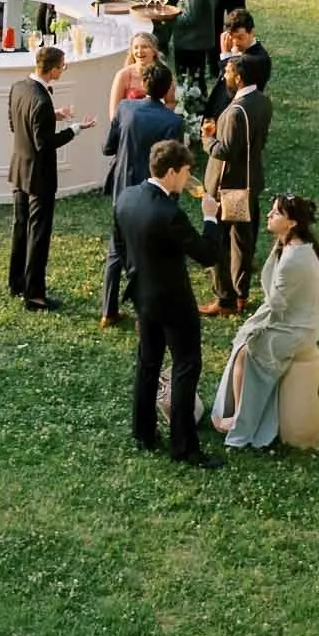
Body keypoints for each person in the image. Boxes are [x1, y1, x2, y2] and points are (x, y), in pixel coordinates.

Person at [113, 140, 221, 463]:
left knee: (148, 363)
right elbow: (207, 254)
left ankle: (143, 432)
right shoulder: (169, 213)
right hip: (174, 303)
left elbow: (120, 248)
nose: (188, 177)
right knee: (186, 366)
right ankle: (184, 446)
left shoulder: (126, 198)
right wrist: (210, 219)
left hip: (143, 297)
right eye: (186, 171)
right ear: (172, 172)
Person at [210, 195, 319, 451]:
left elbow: (276, 305)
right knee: (243, 343)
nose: (271, 215)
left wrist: (252, 327)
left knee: (246, 352)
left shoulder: (293, 258)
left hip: (296, 328)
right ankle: (238, 413)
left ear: (292, 223)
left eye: (277, 213)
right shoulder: (292, 245)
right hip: (291, 320)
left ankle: (241, 423)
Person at [6, 44, 94, 311]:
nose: (63, 70)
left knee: (21, 227)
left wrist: (53, 116)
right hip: (39, 176)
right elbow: (44, 143)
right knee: (38, 233)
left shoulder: (19, 87)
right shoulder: (42, 100)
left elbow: (16, 123)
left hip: (19, 168)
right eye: (63, 67)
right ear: (54, 69)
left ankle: (16, 281)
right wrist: (75, 129)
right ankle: (34, 295)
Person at [99, 60, 183, 326]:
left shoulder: (125, 109)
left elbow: (109, 147)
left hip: (124, 186)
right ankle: (145, 313)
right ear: (167, 87)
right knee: (151, 253)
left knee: (117, 249)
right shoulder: (172, 121)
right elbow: (174, 162)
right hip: (154, 191)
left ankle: (108, 310)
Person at [200, 48, 272, 317]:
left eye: (229, 71)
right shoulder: (263, 102)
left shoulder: (234, 112)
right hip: (250, 179)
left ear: (239, 77)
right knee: (243, 241)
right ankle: (242, 293)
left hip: (228, 187)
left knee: (218, 241)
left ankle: (225, 298)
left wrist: (207, 138)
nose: (225, 75)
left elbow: (225, 150)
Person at [172, 0, 220, 94]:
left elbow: (190, 16)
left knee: (189, 87)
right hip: (201, 39)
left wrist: (167, 18)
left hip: (189, 42)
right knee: (198, 84)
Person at [109, 30, 173, 119]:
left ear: (154, 51)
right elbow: (114, 112)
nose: (139, 51)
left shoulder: (163, 73)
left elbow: (171, 103)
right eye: (136, 47)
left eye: (144, 47)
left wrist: (155, 117)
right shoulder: (122, 75)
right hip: (130, 127)